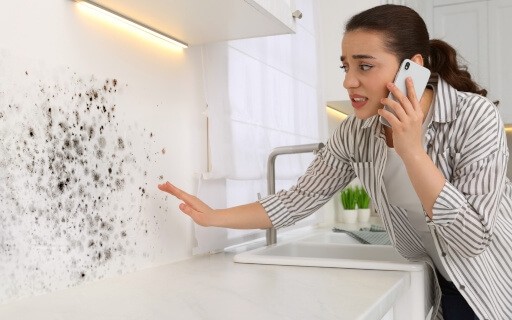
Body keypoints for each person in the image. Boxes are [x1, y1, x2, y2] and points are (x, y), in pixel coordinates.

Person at [158, 4, 512, 320]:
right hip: (440, 280)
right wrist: (214, 216)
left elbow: (472, 239)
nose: (348, 81)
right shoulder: (355, 132)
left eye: (365, 65)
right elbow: (297, 200)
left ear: (413, 68)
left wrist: (412, 151)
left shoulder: (473, 117)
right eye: (345, 65)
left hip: (493, 283)